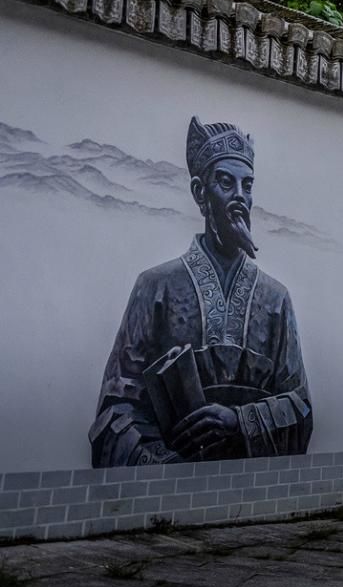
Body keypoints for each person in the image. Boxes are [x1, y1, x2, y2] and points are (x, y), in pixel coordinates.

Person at [89, 117, 312, 467]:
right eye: (226, 182)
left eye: (248, 186)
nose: (240, 197)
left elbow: (299, 406)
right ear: (199, 192)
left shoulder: (275, 299)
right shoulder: (155, 287)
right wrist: (161, 462)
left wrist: (239, 423)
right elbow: (116, 408)